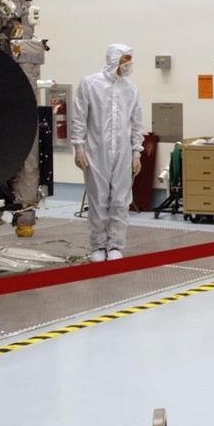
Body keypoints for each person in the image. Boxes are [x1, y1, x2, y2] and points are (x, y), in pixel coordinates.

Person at [71, 43, 144, 262]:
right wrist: (78, 147)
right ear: (114, 59)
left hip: (123, 154)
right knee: (98, 200)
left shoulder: (131, 89)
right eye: (125, 59)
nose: (129, 64)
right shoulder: (90, 84)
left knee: (120, 200)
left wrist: (137, 153)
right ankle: (98, 246)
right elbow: (79, 117)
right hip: (95, 152)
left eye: (130, 59)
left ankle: (115, 245)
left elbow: (136, 123)